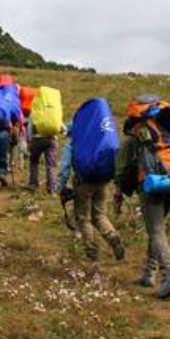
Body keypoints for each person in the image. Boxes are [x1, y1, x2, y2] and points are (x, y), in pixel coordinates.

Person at [115, 95, 170, 300]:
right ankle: (149, 274)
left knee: (156, 230)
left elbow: (120, 171)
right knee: (157, 229)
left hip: (152, 185)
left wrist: (118, 193)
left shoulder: (134, 138)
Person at [57, 100, 125, 263]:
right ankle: (113, 237)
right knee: (100, 215)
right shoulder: (103, 130)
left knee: (84, 218)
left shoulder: (79, 135)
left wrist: (62, 184)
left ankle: (91, 254)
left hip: (84, 181)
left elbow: (66, 163)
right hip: (103, 180)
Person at [27, 115, 60, 193]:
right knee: (51, 165)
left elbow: (29, 127)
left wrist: (29, 140)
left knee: (34, 162)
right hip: (51, 139)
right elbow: (60, 126)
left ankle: (33, 184)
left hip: (37, 139)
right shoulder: (53, 108)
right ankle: (51, 187)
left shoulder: (36, 110)